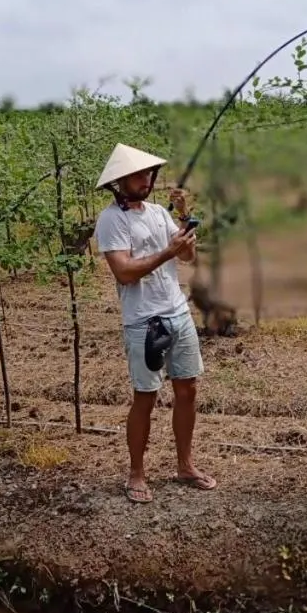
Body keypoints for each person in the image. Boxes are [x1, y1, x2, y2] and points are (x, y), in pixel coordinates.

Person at [94, 142, 216, 502]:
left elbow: (190, 256)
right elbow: (125, 272)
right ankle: (136, 472)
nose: (146, 179)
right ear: (120, 181)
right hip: (143, 322)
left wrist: (182, 216)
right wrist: (167, 252)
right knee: (145, 397)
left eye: (149, 173)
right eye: (138, 174)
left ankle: (185, 465)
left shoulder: (158, 214)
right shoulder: (111, 220)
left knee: (187, 390)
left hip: (177, 312)